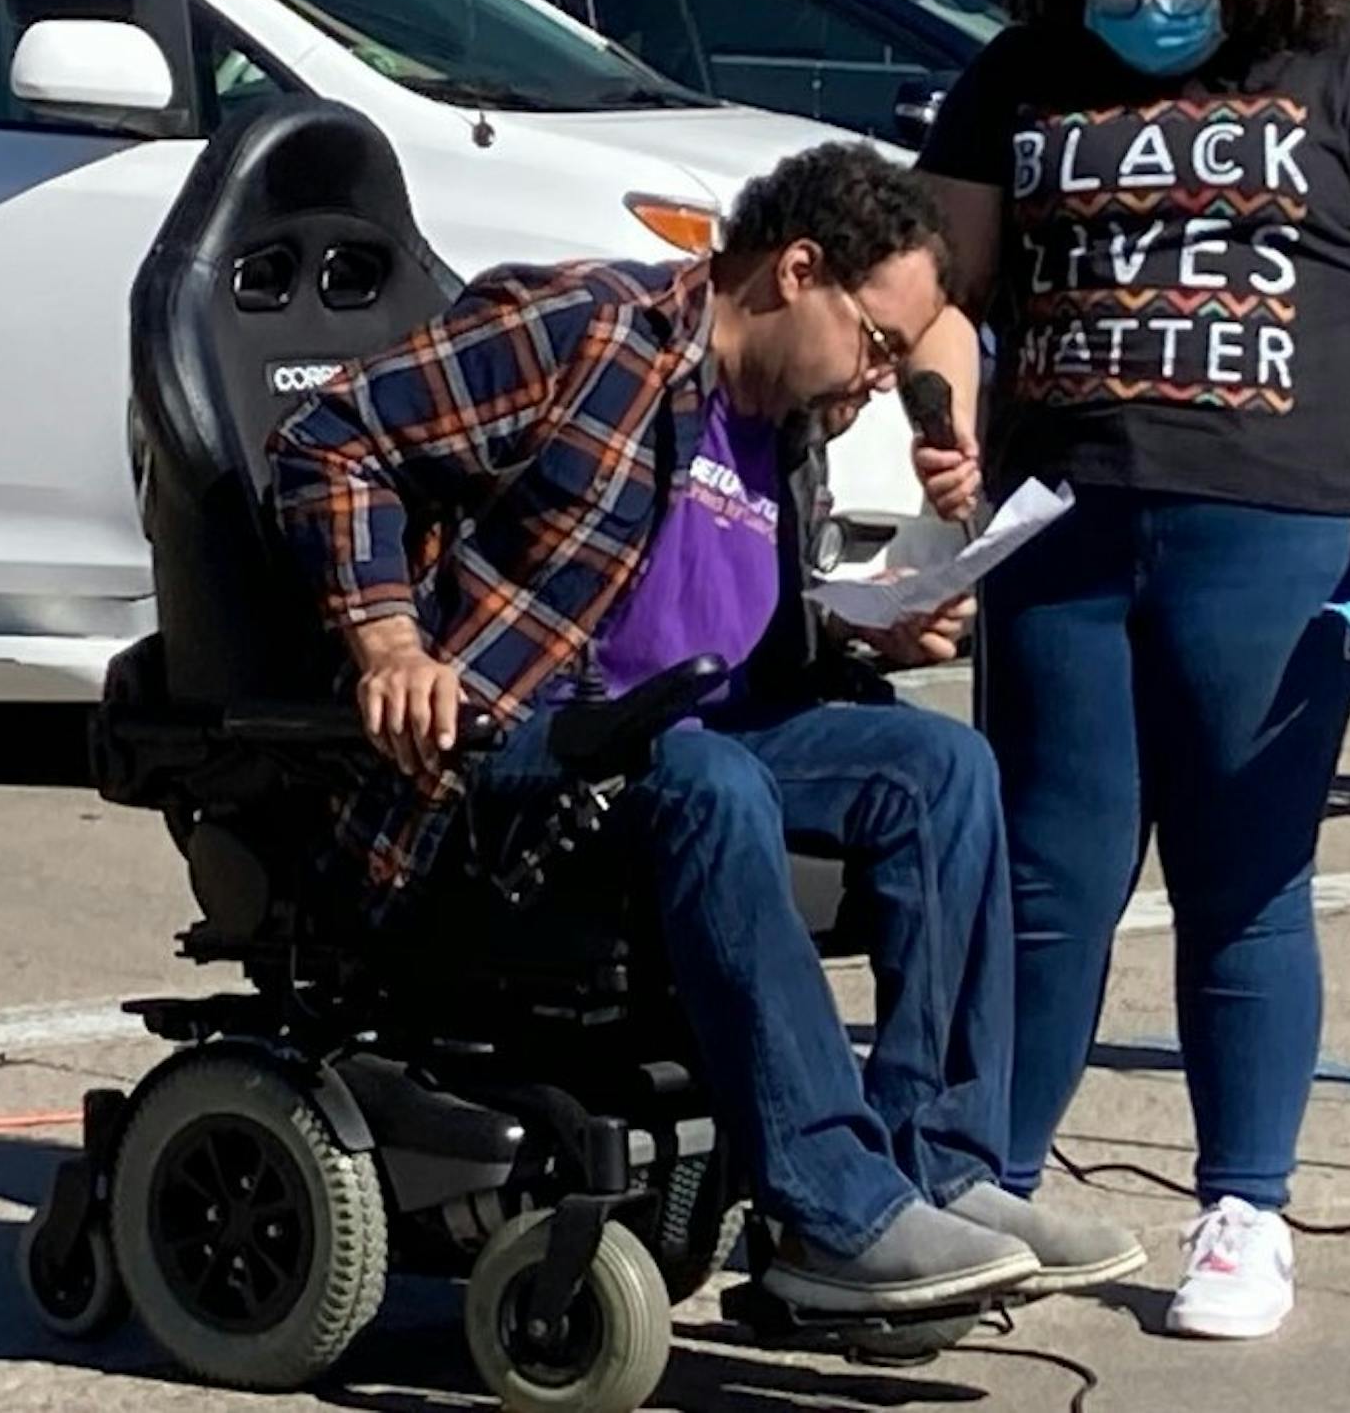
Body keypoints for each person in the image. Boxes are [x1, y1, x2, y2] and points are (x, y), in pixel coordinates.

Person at [269, 143, 1145, 1318]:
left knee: (939, 766)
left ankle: (943, 1168)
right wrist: (388, 642)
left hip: (696, 729)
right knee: (708, 773)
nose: (881, 378)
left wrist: (875, 633)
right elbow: (330, 437)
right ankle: (831, 1212)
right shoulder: (591, 330)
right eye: (879, 344)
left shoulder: (780, 424)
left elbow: (722, 623)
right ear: (796, 271)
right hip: (522, 751)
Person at [903, 0, 1350, 1340]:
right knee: (1048, 876)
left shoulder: (1348, 70)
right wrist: (941, 418)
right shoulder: (1019, 79)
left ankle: (1245, 1204)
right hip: (1063, 529)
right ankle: (985, 1185)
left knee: (1246, 876)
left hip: (1280, 525)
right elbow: (949, 289)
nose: (1150, 3)